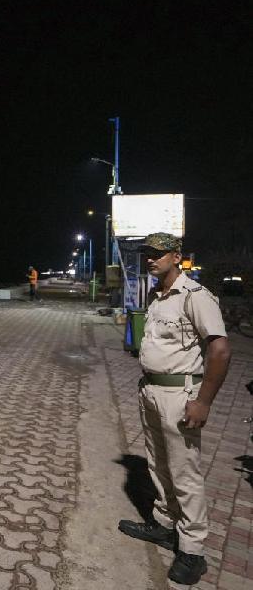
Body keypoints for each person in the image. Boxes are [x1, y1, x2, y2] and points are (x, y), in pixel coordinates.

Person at [117, 232, 231, 585]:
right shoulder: (156, 296)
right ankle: (165, 525)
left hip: (179, 395)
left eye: (158, 253)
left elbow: (220, 351)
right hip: (151, 390)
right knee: (158, 463)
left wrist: (203, 402)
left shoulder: (195, 296)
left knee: (184, 472)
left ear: (176, 256)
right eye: (147, 254)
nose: (150, 259)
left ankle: (193, 551)